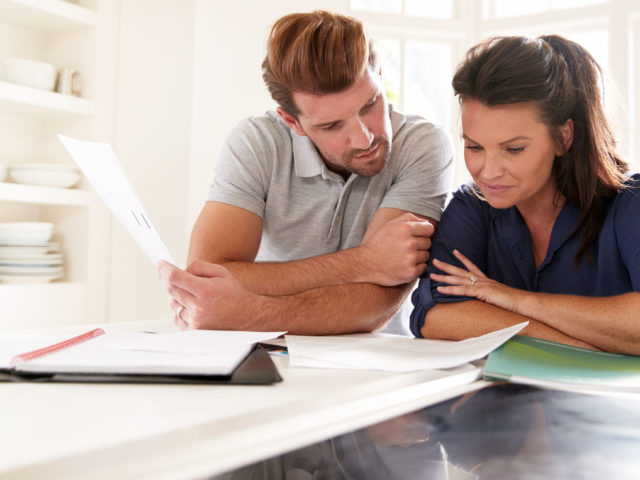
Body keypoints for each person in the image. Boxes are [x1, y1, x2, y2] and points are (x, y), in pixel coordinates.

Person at [158, 10, 454, 335]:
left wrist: (249, 313)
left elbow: (373, 305)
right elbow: (205, 280)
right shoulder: (258, 142)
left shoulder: (422, 145)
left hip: (373, 361)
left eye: (369, 105)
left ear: (381, 76)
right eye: (331, 125)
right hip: (260, 354)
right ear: (292, 122)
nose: (364, 138)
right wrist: (363, 262)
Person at [410, 35, 640, 355]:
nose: (488, 172)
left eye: (513, 149)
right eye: (474, 146)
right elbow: (435, 317)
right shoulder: (472, 208)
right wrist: (583, 344)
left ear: (563, 137)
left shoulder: (630, 203)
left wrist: (518, 300)